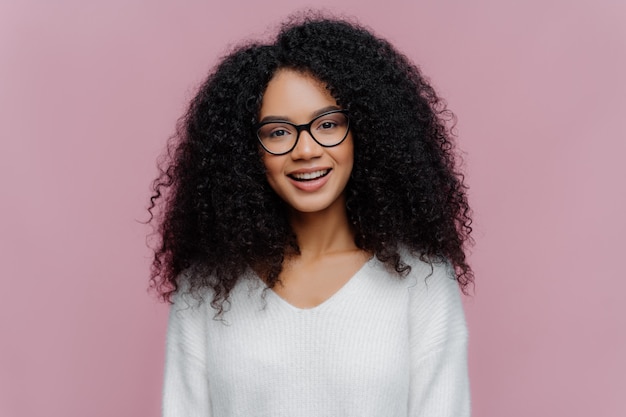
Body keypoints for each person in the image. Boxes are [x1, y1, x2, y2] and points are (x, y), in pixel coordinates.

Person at [149, 14, 474, 417]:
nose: (306, 150)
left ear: (366, 133)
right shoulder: (204, 289)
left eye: (328, 124)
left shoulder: (421, 280)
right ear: (248, 151)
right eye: (278, 132)